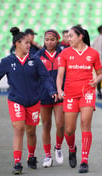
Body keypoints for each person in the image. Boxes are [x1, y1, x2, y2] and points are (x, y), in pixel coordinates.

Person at [0, 27, 57, 175]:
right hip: (16, 101)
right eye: (26, 43)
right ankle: (17, 162)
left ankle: (31, 157)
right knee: (19, 128)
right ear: (17, 44)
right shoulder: (7, 61)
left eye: (29, 43)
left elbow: (46, 78)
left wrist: (52, 91)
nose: (29, 45)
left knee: (31, 131)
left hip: (34, 101)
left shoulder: (35, 60)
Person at [57, 25, 102, 173]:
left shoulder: (93, 53)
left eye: (71, 36)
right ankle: (72, 149)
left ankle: (84, 160)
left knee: (85, 123)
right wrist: (59, 89)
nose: (68, 39)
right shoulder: (64, 53)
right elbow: (60, 75)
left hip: (87, 93)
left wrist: (97, 81)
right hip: (70, 94)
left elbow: (100, 73)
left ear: (80, 36)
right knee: (69, 130)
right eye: (67, 36)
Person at [34, 29, 65, 168]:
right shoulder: (37, 56)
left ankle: (58, 147)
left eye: (52, 39)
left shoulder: (63, 54)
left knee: (61, 124)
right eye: (47, 39)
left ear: (57, 40)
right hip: (44, 95)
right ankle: (47, 156)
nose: (49, 42)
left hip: (60, 94)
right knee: (46, 125)